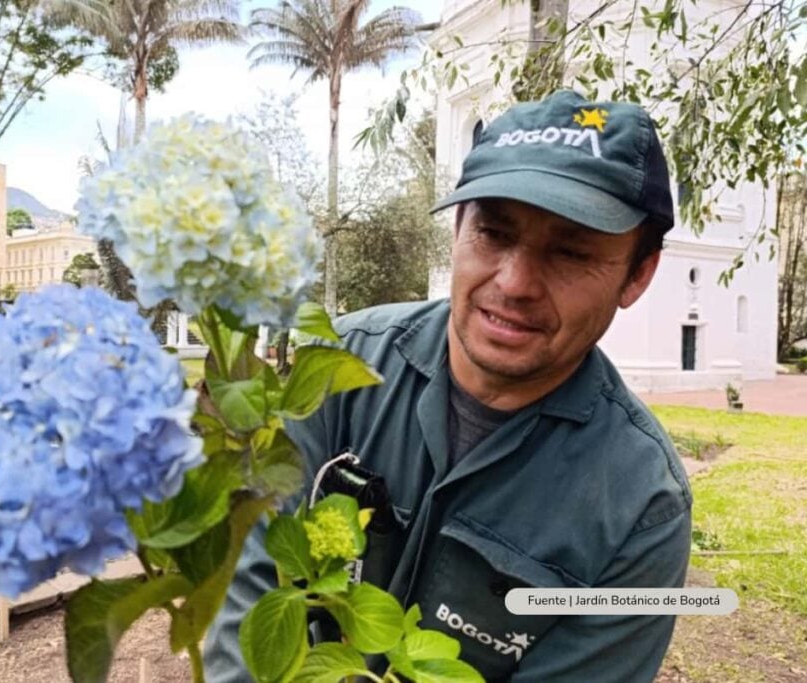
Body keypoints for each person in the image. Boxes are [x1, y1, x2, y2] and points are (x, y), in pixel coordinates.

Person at [204, 90, 692, 682]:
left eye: (570, 252)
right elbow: (250, 591)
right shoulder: (338, 365)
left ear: (638, 274)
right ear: (460, 227)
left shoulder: (641, 508)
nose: (514, 283)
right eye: (493, 233)